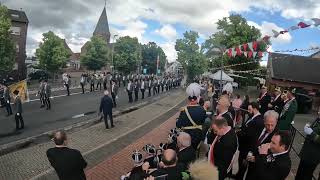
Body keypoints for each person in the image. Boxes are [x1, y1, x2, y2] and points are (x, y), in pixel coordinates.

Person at [245, 110, 279, 180]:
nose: (270, 128)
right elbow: (250, 141)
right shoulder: (257, 126)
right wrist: (247, 155)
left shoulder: (277, 136)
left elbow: (273, 155)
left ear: (276, 122)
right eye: (267, 124)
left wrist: (256, 159)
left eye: (272, 125)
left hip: (261, 169)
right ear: (264, 121)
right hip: (250, 164)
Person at [236, 102, 264, 180]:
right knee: (240, 163)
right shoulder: (252, 117)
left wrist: (238, 133)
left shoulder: (258, 121)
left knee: (243, 165)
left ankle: (239, 177)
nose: (248, 111)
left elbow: (249, 134)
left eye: (249, 109)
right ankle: (238, 175)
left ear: (255, 109)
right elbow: (245, 127)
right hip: (244, 146)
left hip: (248, 147)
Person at [295, 107, 320, 180]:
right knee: (300, 172)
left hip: (313, 155)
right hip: (307, 152)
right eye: (318, 110)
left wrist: (311, 133)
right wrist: (308, 127)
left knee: (307, 175)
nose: (318, 112)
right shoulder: (318, 119)